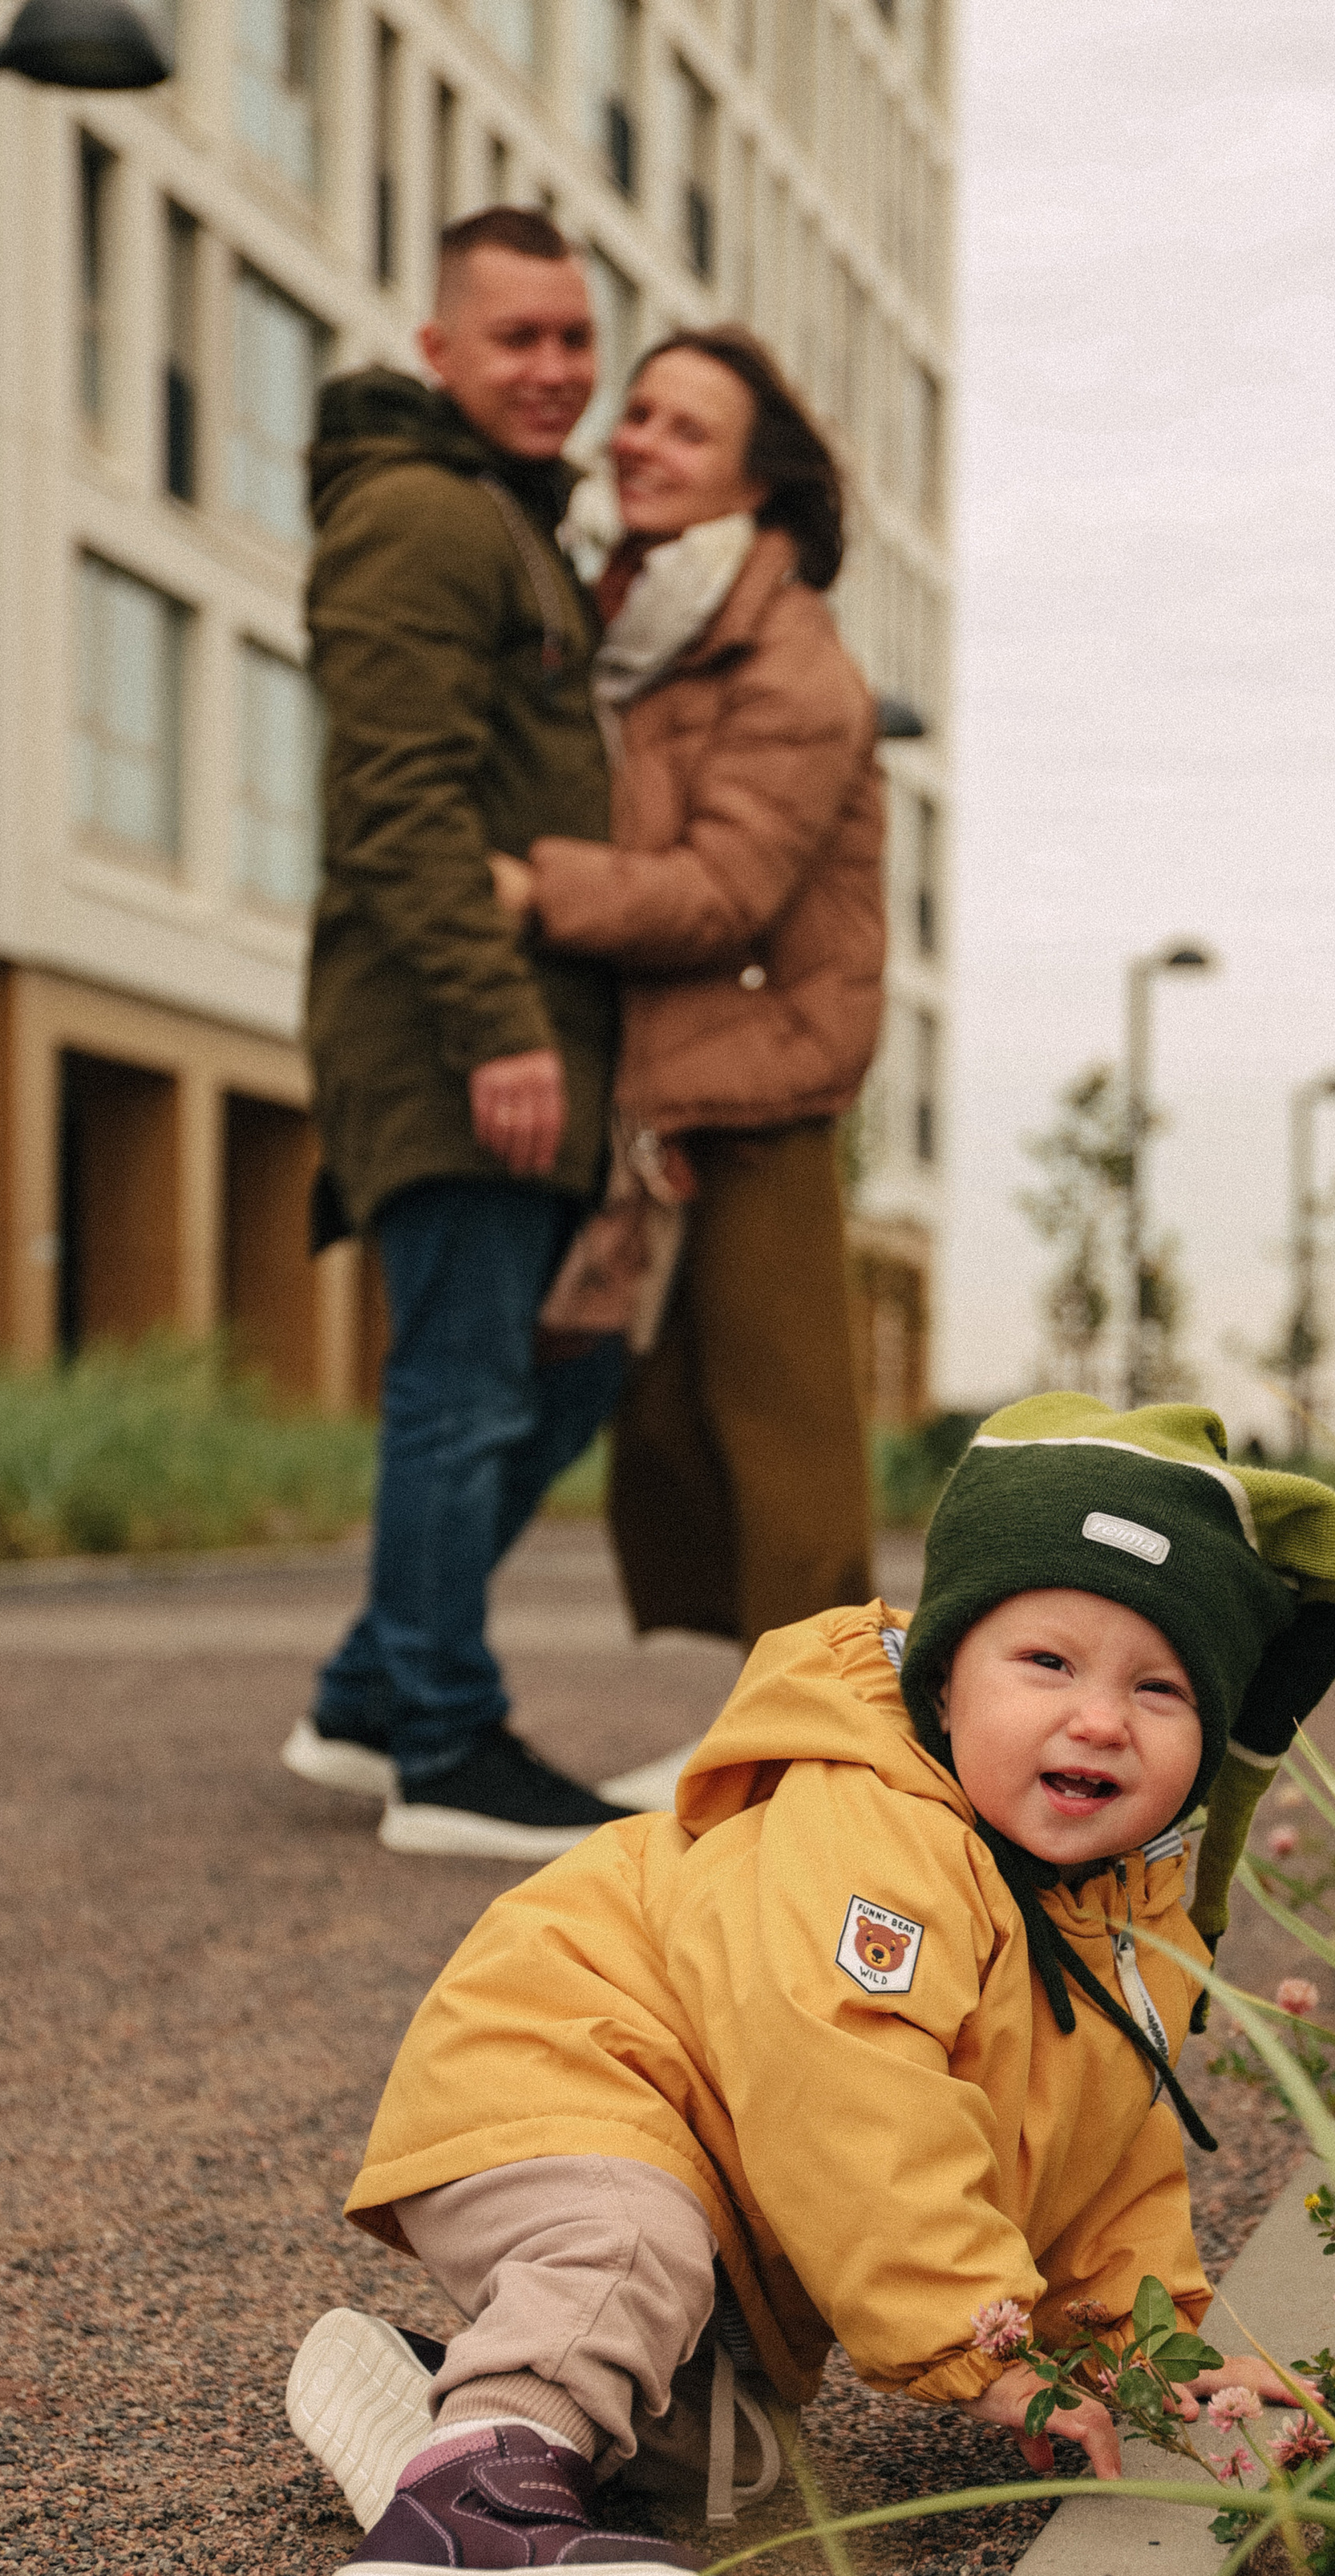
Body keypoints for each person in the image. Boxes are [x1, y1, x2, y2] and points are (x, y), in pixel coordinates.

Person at [283, 1394, 1335, 2576]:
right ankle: (463, 2521)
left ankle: (449, 2414)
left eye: (1158, 1690)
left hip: (727, 2170)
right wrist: (976, 2346)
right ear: (942, 1676)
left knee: (727, 2472)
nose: (1101, 1720)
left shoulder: (1122, 1927)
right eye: (1047, 1664)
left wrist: (1151, 2356)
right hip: (576, 2061)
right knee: (624, 2254)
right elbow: (846, 2088)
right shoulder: (872, 1831)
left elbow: (1109, 2175)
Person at [281, 205, 636, 1861]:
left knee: (551, 1374)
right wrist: (500, 1030)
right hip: (447, 1026)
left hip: (508, 1023)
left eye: (574, 337)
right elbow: (397, 800)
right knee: (467, 1389)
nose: (555, 369)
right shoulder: (424, 517)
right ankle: (441, 1744)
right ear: (438, 351)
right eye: (517, 338)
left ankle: (368, 1701)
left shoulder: (501, 518)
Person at [492, 326, 884, 1647]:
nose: (640, 442)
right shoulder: (640, 621)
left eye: (686, 430)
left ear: (754, 484)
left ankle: (820, 1752)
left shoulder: (790, 663)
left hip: (760, 1070)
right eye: (640, 413)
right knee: (673, 1424)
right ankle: (748, 1729)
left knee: (785, 1428)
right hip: (668, 1072)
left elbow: (725, 889)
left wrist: (540, 888)